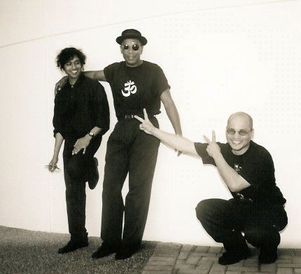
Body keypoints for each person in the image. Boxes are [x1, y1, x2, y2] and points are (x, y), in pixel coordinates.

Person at [57, 29, 182, 259]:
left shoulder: (154, 71)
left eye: (135, 46)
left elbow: (169, 102)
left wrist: (178, 136)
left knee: (138, 188)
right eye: (126, 46)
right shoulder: (115, 70)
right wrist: (70, 77)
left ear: (141, 48)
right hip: (121, 127)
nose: (131, 51)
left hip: (146, 127)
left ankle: (131, 242)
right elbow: (93, 75)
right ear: (121, 48)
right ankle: (110, 241)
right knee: (111, 186)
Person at [135, 109, 288, 265]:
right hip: (243, 208)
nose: (236, 137)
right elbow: (185, 145)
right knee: (205, 209)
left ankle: (270, 245)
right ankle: (238, 249)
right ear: (226, 131)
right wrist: (153, 131)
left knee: (254, 233)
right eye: (231, 131)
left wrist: (217, 155)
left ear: (251, 133)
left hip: (269, 211)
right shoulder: (222, 150)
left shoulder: (260, 156)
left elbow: (234, 184)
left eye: (242, 132)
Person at [48, 47, 110, 254]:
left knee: (75, 168)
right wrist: (55, 155)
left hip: (91, 136)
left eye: (77, 63)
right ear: (63, 67)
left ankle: (90, 166)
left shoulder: (94, 87)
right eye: (68, 64)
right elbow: (59, 128)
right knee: (71, 189)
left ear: (82, 64)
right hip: (71, 141)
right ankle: (78, 237)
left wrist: (86, 138)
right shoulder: (62, 92)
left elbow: (103, 121)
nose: (73, 67)